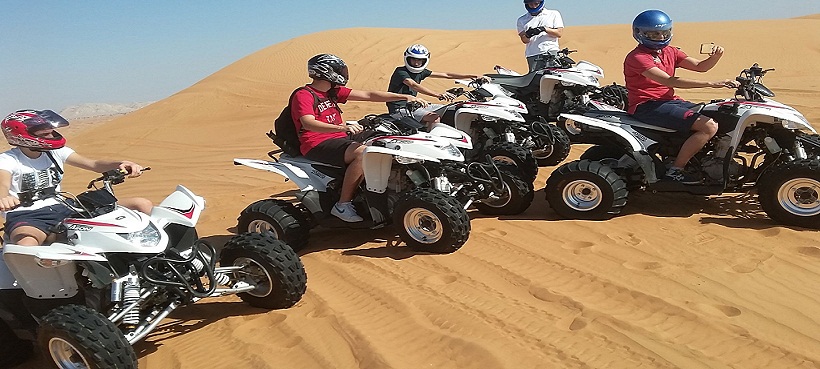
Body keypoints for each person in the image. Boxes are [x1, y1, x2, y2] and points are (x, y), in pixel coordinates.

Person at [293, 54, 429, 222]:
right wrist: (342, 127)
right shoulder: (304, 94)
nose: (343, 73)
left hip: (340, 136)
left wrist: (403, 97)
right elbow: (308, 123)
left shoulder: (333, 92)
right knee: (362, 153)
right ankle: (343, 205)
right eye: (339, 70)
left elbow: (368, 94)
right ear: (326, 72)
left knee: (387, 138)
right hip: (316, 142)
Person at [0, 109, 153, 246]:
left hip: (65, 207)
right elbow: (3, 185)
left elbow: (93, 164)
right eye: (45, 134)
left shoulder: (55, 152)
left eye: (52, 132)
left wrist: (120, 164)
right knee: (26, 244)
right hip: (29, 215)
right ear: (22, 137)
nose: (51, 136)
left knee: (142, 204)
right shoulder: (8, 160)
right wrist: (4, 198)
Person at [624, 9, 739, 184]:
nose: (661, 37)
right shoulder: (638, 58)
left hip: (669, 101)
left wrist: (716, 56)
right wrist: (712, 84)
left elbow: (700, 66)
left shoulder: (670, 51)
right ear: (640, 33)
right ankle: (675, 171)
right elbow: (670, 81)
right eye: (655, 34)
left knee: (719, 113)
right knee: (708, 127)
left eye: (665, 32)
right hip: (647, 106)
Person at [386, 44, 486, 123]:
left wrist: (471, 76)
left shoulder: (421, 72)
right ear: (407, 58)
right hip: (400, 109)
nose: (416, 63)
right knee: (434, 118)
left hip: (416, 105)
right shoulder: (400, 72)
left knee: (452, 109)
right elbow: (413, 85)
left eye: (420, 60)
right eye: (413, 60)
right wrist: (437, 95)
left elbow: (446, 75)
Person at [517, 0, 564, 72]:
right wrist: (528, 35)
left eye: (536, 3)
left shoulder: (553, 14)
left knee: (553, 78)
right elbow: (524, 40)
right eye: (531, 4)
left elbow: (559, 33)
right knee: (536, 80)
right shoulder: (522, 20)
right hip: (533, 55)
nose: (534, 6)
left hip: (551, 52)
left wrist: (544, 29)